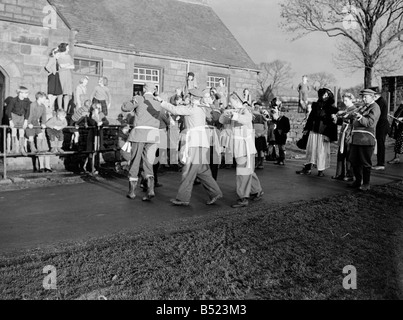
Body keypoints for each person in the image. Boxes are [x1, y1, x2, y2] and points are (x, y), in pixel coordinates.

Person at [155, 88, 223, 206]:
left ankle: (183, 198)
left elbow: (175, 110)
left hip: (195, 142)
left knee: (188, 171)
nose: (188, 97)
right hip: (202, 142)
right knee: (203, 171)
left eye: (189, 95)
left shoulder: (192, 108)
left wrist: (162, 102)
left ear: (192, 97)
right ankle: (215, 192)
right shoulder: (201, 108)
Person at [219, 93, 264, 208]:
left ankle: (243, 197)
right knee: (248, 170)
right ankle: (257, 191)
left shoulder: (245, 111)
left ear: (236, 100)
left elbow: (246, 119)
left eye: (231, 101)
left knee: (242, 172)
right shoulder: (235, 111)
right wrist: (225, 113)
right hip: (238, 146)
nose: (230, 104)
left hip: (244, 146)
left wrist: (234, 115)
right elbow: (222, 121)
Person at [126, 83, 161, 201]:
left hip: (140, 133)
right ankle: (150, 189)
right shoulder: (157, 101)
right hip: (153, 135)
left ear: (144, 89)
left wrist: (133, 100)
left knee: (135, 161)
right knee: (148, 162)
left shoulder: (139, 98)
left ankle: (132, 192)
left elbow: (125, 108)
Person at [296, 88, 338, 177]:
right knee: (310, 150)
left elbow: (333, 123)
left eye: (327, 95)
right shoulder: (316, 105)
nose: (325, 96)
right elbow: (311, 118)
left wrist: (330, 136)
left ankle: (321, 170)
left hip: (324, 133)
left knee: (322, 151)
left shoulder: (332, 108)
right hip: (314, 131)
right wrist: (306, 129)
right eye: (324, 94)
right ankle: (307, 168)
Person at [348, 89, 380, 191]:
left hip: (366, 139)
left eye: (365, 96)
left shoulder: (375, 107)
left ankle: (366, 184)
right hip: (357, 139)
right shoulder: (363, 106)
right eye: (362, 96)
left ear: (372, 97)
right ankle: (358, 181)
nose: (363, 98)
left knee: (365, 162)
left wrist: (359, 117)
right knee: (354, 161)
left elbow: (370, 123)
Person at [25, 92, 52, 172]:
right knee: (31, 136)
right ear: (39, 98)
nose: (45, 99)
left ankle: (39, 148)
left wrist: (43, 123)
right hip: (30, 121)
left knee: (40, 134)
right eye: (44, 98)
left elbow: (44, 116)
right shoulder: (33, 105)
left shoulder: (43, 106)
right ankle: (33, 148)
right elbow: (29, 115)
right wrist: (29, 123)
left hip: (36, 122)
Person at [332, 93, 356, 181]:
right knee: (341, 154)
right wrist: (336, 119)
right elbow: (341, 122)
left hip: (349, 134)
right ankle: (339, 174)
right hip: (343, 133)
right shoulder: (346, 109)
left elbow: (353, 122)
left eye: (346, 100)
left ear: (351, 100)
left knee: (349, 155)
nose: (344, 102)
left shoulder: (354, 110)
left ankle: (350, 174)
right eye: (343, 100)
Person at [369, 87, 390, 171]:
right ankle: (380, 163)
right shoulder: (379, 101)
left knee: (381, 144)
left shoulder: (380, 102)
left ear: (375, 95)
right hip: (380, 125)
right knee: (380, 144)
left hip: (382, 125)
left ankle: (381, 164)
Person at [6, 86, 31, 155]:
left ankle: (21, 148)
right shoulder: (13, 100)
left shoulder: (27, 100)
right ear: (20, 93)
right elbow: (8, 111)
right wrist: (10, 120)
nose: (27, 94)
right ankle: (13, 148)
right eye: (26, 93)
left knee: (21, 132)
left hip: (22, 116)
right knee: (14, 131)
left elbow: (28, 111)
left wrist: (26, 120)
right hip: (14, 116)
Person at [57, 43, 74, 111]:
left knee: (66, 93)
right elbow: (61, 66)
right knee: (60, 93)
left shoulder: (68, 56)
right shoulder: (59, 56)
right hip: (61, 75)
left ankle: (65, 110)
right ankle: (60, 108)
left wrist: (65, 65)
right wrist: (67, 65)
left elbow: (72, 66)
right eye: (67, 48)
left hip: (68, 75)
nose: (68, 49)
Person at [252, 103, 268, 169]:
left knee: (261, 150)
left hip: (260, 136)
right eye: (255, 107)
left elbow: (266, 128)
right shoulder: (252, 117)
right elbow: (251, 127)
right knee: (255, 150)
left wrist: (261, 134)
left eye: (257, 107)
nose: (256, 108)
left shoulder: (262, 117)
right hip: (255, 135)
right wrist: (254, 133)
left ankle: (261, 163)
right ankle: (256, 163)